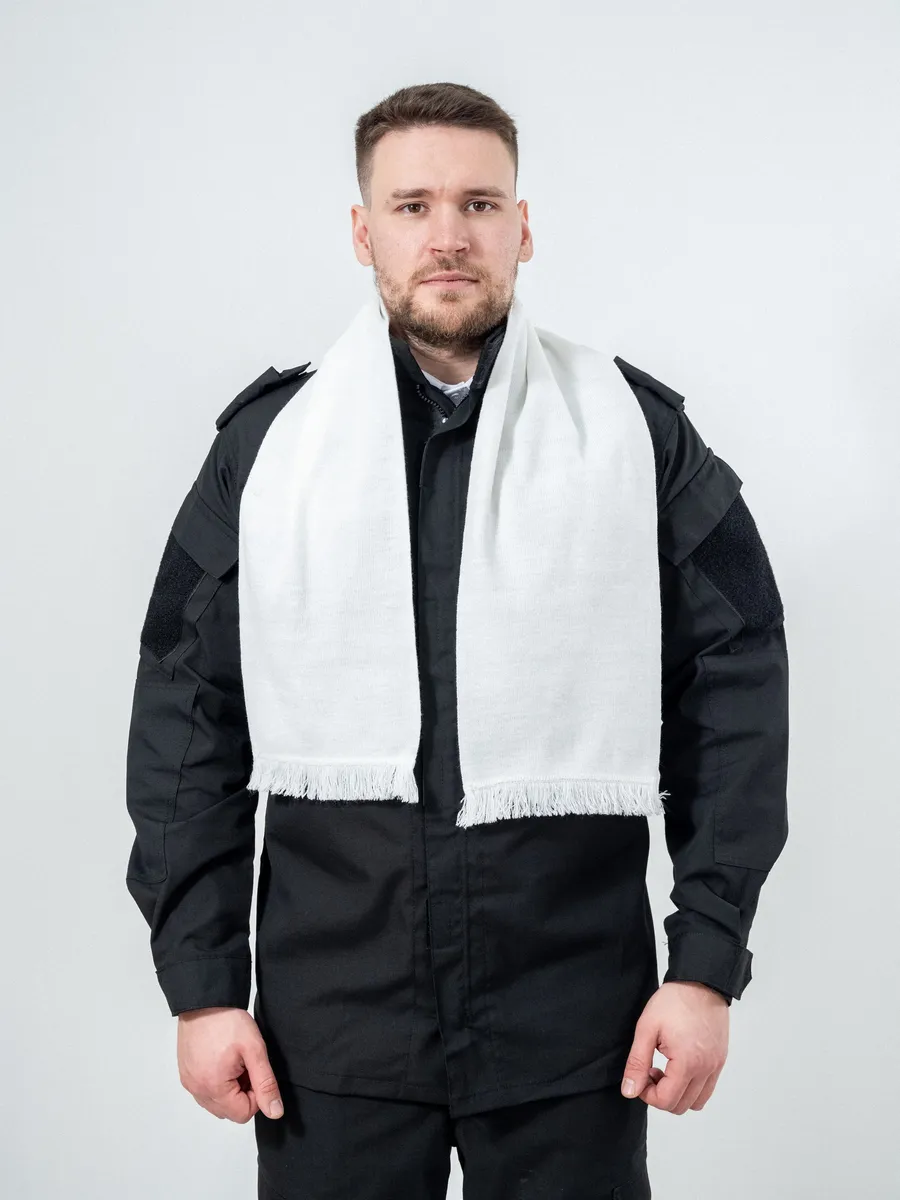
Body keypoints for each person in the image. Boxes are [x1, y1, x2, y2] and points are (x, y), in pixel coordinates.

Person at [124, 81, 789, 1199]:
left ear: (523, 227)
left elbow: (738, 682)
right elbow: (185, 711)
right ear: (363, 231)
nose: (447, 236)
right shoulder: (268, 451)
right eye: (412, 205)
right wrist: (201, 987)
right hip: (329, 1028)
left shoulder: (637, 435)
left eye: (479, 204)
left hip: (576, 1018)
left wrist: (707, 965)